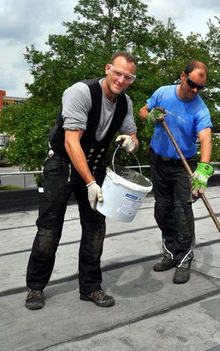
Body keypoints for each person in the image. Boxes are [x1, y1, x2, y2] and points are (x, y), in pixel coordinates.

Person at [25, 52, 139, 310]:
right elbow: (70, 141)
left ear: (132, 79)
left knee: (96, 227)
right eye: (118, 73)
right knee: (49, 227)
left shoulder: (125, 103)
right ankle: (35, 287)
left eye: (128, 77)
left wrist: (131, 143)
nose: (121, 80)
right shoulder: (81, 92)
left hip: (95, 164)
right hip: (62, 163)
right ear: (108, 68)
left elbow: (132, 135)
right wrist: (90, 183)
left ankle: (90, 287)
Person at [139, 61, 214, 284]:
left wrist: (203, 168)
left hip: (184, 165)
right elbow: (143, 111)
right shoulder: (163, 93)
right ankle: (171, 253)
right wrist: (150, 116)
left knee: (182, 212)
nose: (194, 90)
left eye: (200, 87)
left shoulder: (200, 108)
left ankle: (184, 259)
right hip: (158, 160)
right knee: (162, 211)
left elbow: (206, 138)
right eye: (192, 84)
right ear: (182, 76)